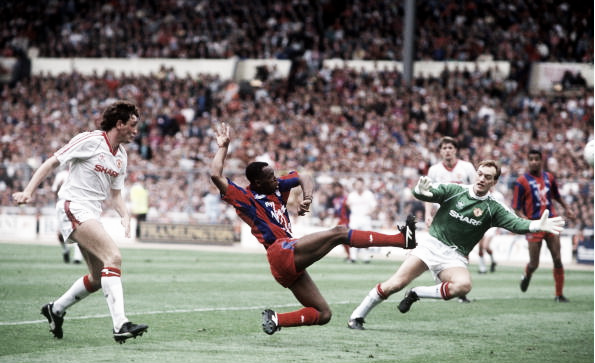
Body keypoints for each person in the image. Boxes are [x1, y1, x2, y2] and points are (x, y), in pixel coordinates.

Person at [209, 122, 417, 335]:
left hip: (284, 259)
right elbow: (216, 175)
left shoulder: (277, 187)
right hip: (279, 250)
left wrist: (307, 198)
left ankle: (275, 319)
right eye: (270, 178)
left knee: (323, 314)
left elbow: (303, 176)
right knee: (339, 232)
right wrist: (223, 147)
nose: (275, 179)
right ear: (258, 183)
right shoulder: (246, 197)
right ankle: (401, 240)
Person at [347, 160, 565, 330]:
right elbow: (428, 192)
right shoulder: (455, 190)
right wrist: (419, 192)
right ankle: (356, 316)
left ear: (494, 182)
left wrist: (536, 225)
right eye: (480, 174)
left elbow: (516, 223)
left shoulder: (494, 208)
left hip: (454, 256)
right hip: (431, 245)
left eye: (487, 177)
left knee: (463, 286)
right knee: (394, 284)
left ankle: (416, 293)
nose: (481, 179)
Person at [12, 100, 148, 343]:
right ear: (119, 124)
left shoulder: (122, 156)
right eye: (133, 125)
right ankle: (120, 325)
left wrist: (125, 215)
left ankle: (55, 309)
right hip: (72, 206)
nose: (136, 130)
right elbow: (52, 161)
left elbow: (115, 195)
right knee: (113, 257)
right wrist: (28, 191)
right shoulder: (90, 140)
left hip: (90, 212)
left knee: (97, 278)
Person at [512, 149, 575, 302]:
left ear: (541, 161)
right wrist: (526, 221)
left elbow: (557, 196)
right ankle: (527, 274)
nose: (534, 162)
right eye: (531, 159)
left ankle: (559, 294)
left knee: (558, 259)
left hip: (551, 222)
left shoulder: (549, 177)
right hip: (534, 224)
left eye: (536, 159)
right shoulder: (521, 181)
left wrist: (567, 207)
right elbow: (516, 207)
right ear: (528, 161)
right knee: (534, 263)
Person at [425, 136, 477, 302]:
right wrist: (428, 213)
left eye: (450, 147)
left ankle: (458, 289)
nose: (447, 150)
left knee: (461, 254)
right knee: (440, 253)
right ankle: (452, 287)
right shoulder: (434, 170)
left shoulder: (467, 167)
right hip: (442, 219)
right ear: (440, 151)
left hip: (463, 217)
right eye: (444, 148)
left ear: (456, 150)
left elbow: (477, 188)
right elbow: (428, 193)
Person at [51, 167, 83, 263]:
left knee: (78, 231)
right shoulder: (61, 175)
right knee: (60, 235)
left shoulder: (82, 173)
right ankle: (65, 250)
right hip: (62, 205)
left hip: (76, 204)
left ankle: (77, 257)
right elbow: (55, 190)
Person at [346, 178, 378, 263]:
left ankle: (366, 258)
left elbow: (374, 206)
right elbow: (348, 204)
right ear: (355, 185)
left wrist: (369, 212)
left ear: (363, 185)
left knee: (366, 238)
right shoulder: (352, 195)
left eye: (360, 184)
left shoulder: (368, 194)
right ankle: (353, 257)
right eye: (357, 184)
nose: (359, 186)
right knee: (352, 238)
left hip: (365, 218)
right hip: (354, 218)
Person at [327, 181, 351, 262]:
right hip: (340, 220)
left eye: (338, 188)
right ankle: (349, 255)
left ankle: (351, 256)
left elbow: (349, 211)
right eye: (335, 189)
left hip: (347, 221)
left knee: (346, 239)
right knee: (341, 240)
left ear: (341, 189)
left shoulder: (346, 198)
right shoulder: (334, 200)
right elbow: (336, 212)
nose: (336, 190)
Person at [129, 173, 149, 239]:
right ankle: (137, 237)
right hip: (139, 209)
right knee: (138, 224)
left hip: (142, 209)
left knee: (140, 224)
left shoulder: (141, 188)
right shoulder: (139, 188)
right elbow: (133, 198)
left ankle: (139, 237)